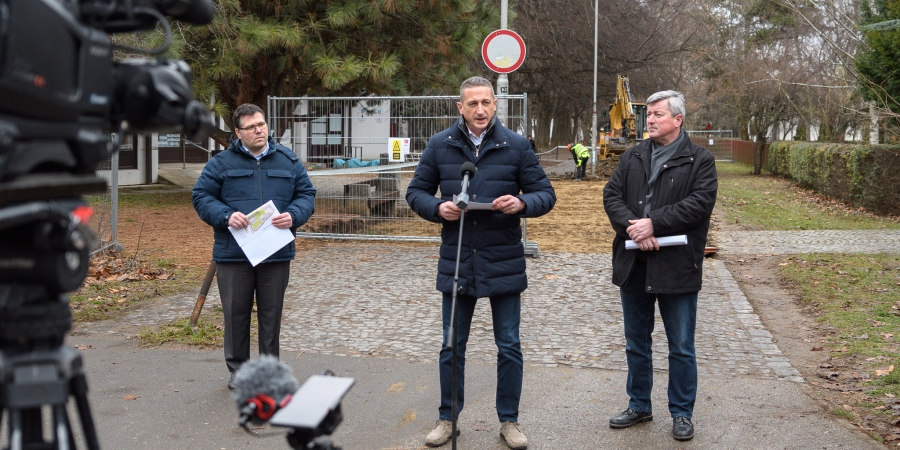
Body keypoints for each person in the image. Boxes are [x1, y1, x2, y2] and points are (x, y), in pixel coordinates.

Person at [406, 76, 556, 449]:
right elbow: (415, 192)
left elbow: (545, 194)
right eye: (472, 104)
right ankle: (447, 418)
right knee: (451, 345)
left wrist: (521, 204)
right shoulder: (441, 145)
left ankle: (509, 421)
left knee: (509, 346)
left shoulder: (517, 146)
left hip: (503, 259)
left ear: (495, 104)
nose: (480, 110)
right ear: (460, 107)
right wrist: (437, 208)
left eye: (486, 103)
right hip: (457, 259)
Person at [601, 91, 717, 442]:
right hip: (634, 262)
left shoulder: (700, 160)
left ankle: (681, 412)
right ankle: (639, 405)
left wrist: (654, 223)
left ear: (678, 120)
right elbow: (612, 196)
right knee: (637, 342)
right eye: (648, 115)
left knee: (680, 345)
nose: (649, 120)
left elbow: (698, 205)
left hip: (677, 265)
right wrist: (634, 228)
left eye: (657, 114)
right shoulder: (634, 156)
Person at [192, 103, 316, 390]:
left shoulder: (288, 160)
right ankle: (240, 371)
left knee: (271, 314)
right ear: (238, 132)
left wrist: (295, 214)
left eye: (261, 124)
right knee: (236, 314)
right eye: (251, 127)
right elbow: (201, 196)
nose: (259, 130)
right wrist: (225, 215)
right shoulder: (221, 163)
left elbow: (306, 194)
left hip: (275, 253)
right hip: (234, 254)